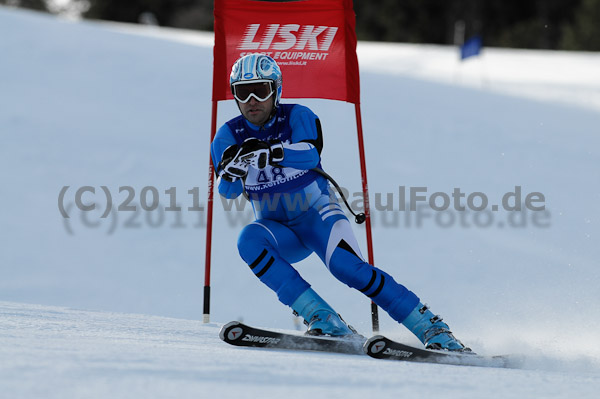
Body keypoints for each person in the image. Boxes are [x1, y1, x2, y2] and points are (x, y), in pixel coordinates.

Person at [211, 54, 470, 352]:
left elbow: (310, 154)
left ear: (277, 90)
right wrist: (231, 171)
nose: (252, 99)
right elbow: (228, 192)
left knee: (347, 268)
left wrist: (271, 153)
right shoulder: (227, 135)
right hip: (279, 229)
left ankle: (432, 327)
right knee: (248, 240)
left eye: (261, 90)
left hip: (318, 216)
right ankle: (324, 318)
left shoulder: (297, 115)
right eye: (243, 92)